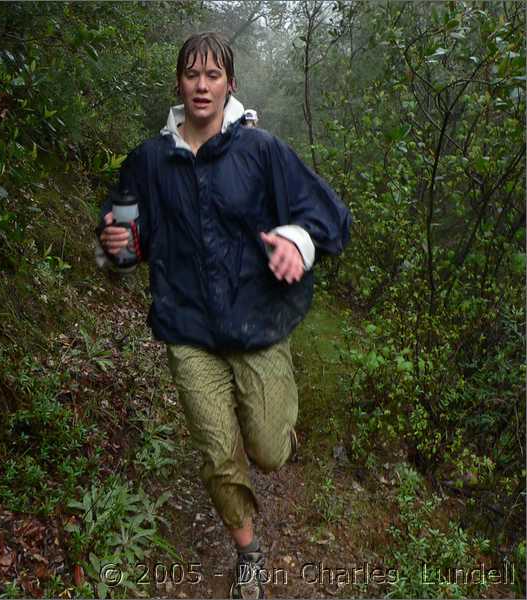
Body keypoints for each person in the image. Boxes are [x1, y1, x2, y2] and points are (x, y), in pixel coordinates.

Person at [97, 32, 350, 599]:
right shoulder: (148, 160)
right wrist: (116, 244)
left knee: (266, 449)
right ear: (179, 83)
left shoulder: (260, 151)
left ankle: (278, 432)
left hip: (257, 322)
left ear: (229, 84)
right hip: (188, 331)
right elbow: (122, 235)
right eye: (192, 75)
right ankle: (249, 553)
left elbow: (329, 215)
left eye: (213, 75)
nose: (202, 85)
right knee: (218, 453)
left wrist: (297, 242)